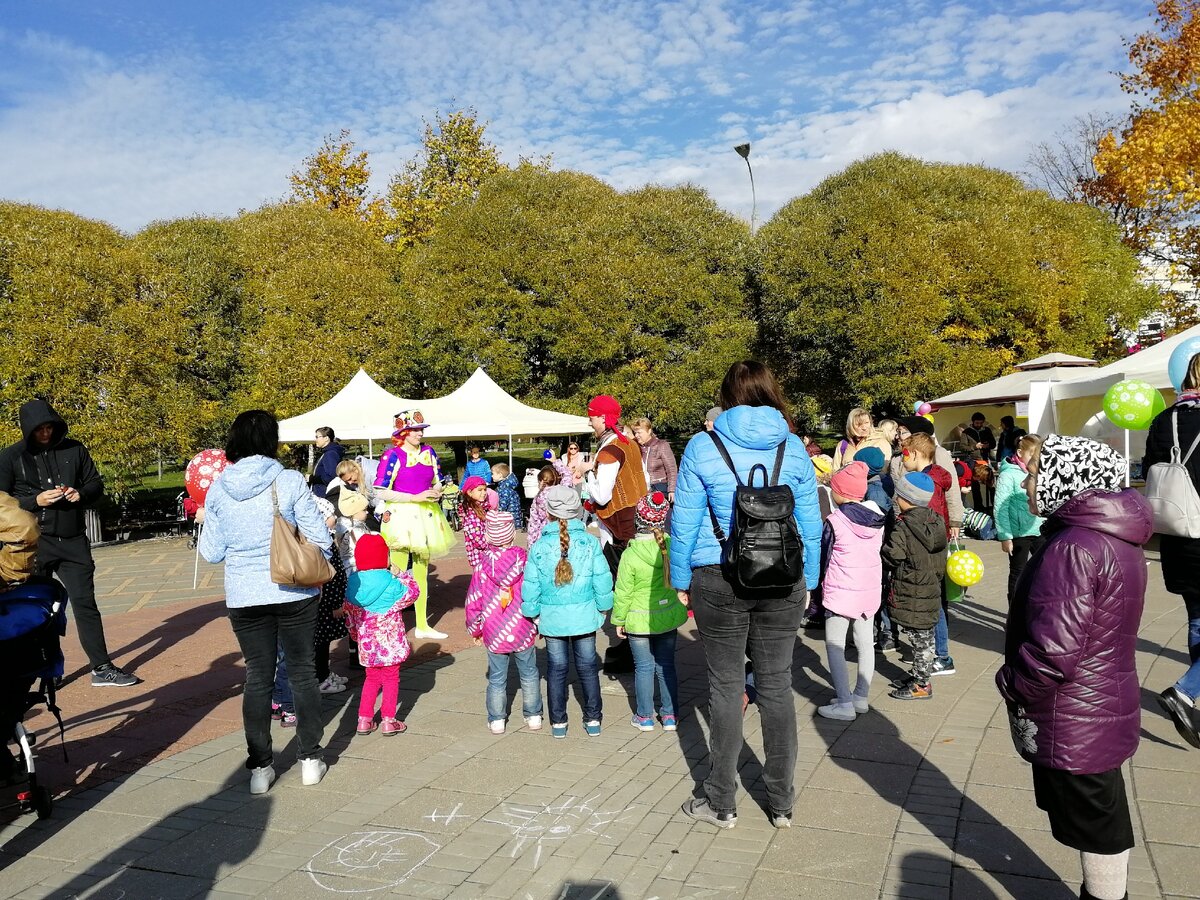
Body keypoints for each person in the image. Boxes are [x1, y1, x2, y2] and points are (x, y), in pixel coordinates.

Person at [996, 435, 1150, 900]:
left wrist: (1012, 684)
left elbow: (1052, 651)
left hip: (1075, 712)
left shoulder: (1075, 547)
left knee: (1097, 826)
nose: (1026, 480)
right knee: (1102, 817)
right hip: (1101, 702)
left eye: (1038, 470)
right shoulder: (1113, 535)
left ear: (1069, 478)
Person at [671, 360, 823, 829]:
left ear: (728, 395)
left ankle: (722, 800)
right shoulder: (793, 446)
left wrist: (679, 579)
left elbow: (685, 518)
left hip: (718, 575)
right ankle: (781, 802)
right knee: (776, 686)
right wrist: (811, 580)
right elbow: (811, 523)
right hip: (784, 578)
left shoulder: (703, 445)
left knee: (725, 686)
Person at [198, 410, 331, 793]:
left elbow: (211, 553)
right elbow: (320, 538)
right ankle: (310, 759)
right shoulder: (288, 480)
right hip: (293, 590)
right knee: (303, 673)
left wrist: (209, 520)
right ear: (271, 440)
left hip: (244, 594)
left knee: (258, 677)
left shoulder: (220, 488)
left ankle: (260, 768)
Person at [0, 400, 138, 687]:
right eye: (40, 429)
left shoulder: (74, 449)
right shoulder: (11, 457)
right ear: (28, 429)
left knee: (85, 603)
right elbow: (2, 503)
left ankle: (101, 667)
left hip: (73, 540)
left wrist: (81, 493)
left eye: (50, 427)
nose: (46, 433)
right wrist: (33, 501)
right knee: (36, 609)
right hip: (33, 544)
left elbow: (95, 483)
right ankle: (38, 672)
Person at [521, 485, 613, 739]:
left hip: (552, 617)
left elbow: (531, 584)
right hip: (584, 615)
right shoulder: (589, 542)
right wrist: (603, 607)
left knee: (556, 669)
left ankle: (558, 722)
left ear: (548, 512)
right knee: (587, 667)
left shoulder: (540, 546)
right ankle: (593, 718)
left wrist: (532, 612)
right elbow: (602, 578)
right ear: (577, 511)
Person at [1144, 353, 1200, 749]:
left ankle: (1193, 698)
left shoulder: (1165, 419)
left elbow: (1149, 467)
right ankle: (1184, 690)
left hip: (1175, 535)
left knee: (1198, 617)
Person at [374, 410, 456, 640]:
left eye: (421, 430)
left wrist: (436, 492)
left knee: (421, 571)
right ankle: (394, 626)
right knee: (397, 571)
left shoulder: (429, 452)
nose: (420, 434)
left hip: (427, 516)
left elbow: (439, 480)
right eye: (415, 430)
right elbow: (380, 491)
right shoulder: (392, 456)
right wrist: (413, 497)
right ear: (403, 433)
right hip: (401, 516)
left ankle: (422, 625)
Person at [613, 491, 687, 732]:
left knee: (643, 668)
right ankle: (670, 715)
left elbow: (623, 591)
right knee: (667, 665)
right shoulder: (670, 546)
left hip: (638, 618)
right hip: (666, 617)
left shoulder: (630, 554)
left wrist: (619, 619)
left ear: (638, 519)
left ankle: (644, 716)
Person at [817, 462, 886, 721]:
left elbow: (826, 555)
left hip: (841, 592)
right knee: (865, 644)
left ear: (841, 493)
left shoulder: (835, 521)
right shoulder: (877, 520)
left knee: (834, 645)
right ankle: (860, 697)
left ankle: (844, 703)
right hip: (868, 591)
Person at [465, 510, 541, 734]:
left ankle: (497, 719)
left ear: (488, 536)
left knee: (497, 677)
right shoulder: (524, 560)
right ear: (512, 535)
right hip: (522, 626)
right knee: (529, 673)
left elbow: (474, 601)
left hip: (494, 628)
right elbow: (534, 591)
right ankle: (533, 715)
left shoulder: (482, 566)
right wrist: (538, 619)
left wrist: (476, 628)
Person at [344, 534, 418, 737]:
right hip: (391, 643)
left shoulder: (353, 584)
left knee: (371, 679)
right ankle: (388, 720)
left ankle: (364, 719)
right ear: (384, 557)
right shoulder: (391, 584)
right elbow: (413, 593)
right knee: (391, 678)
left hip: (368, 645)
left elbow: (349, 617)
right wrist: (401, 573)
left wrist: (356, 636)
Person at [883, 473, 949, 701]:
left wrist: (883, 551)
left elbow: (893, 556)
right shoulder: (936, 521)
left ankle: (922, 684)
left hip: (911, 589)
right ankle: (919, 676)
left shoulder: (903, 527)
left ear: (904, 498)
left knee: (920, 640)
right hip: (931, 586)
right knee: (925, 636)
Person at [573, 396, 648, 577]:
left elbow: (602, 496)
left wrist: (586, 471)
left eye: (592, 418)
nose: (590, 423)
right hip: (637, 518)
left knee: (621, 578)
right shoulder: (630, 444)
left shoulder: (610, 450)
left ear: (603, 418)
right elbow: (645, 478)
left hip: (618, 528)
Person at [902, 433, 957, 678]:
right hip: (937, 547)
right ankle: (938, 652)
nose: (901, 459)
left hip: (928, 551)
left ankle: (942, 655)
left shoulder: (926, 482)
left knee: (933, 603)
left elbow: (925, 521)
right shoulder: (937, 477)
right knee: (936, 601)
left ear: (914, 454)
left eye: (904, 454)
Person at [994, 434, 1045, 606]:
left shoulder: (1040, 472)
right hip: (1019, 533)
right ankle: (1014, 614)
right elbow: (1000, 507)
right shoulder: (1008, 475)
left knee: (1044, 571)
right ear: (1020, 452)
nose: (1035, 458)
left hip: (1040, 530)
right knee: (1018, 573)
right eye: (1032, 454)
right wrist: (1005, 536)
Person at [527, 461, 574, 545]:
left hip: (544, 534)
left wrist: (531, 545)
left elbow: (533, 523)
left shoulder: (538, 498)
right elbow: (567, 475)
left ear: (540, 481)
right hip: (562, 530)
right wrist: (555, 461)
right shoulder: (561, 492)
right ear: (555, 478)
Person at [631, 418, 678, 502]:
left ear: (649, 431)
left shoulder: (661, 445)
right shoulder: (635, 447)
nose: (636, 435)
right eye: (635, 433)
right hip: (641, 491)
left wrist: (672, 490)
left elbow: (671, 469)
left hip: (659, 490)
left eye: (639, 432)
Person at [962, 412, 997, 512]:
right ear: (973, 422)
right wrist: (974, 447)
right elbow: (962, 447)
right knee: (975, 486)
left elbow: (993, 444)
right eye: (977, 423)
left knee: (991, 484)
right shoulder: (966, 432)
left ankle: (994, 505)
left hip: (985, 460)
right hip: (973, 461)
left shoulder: (987, 430)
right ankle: (979, 507)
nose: (979, 425)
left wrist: (988, 445)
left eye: (981, 423)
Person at [311, 427, 344, 499]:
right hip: (322, 492)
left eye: (317, 437)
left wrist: (313, 478)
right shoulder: (327, 452)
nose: (315, 439)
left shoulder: (330, 454)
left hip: (324, 494)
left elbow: (332, 477)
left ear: (326, 438)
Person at [491, 463, 524, 530]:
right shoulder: (506, 485)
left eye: (493, 474)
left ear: (500, 475)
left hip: (508, 519)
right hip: (512, 517)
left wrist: (495, 515)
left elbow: (503, 505)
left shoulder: (504, 488)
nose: (491, 476)